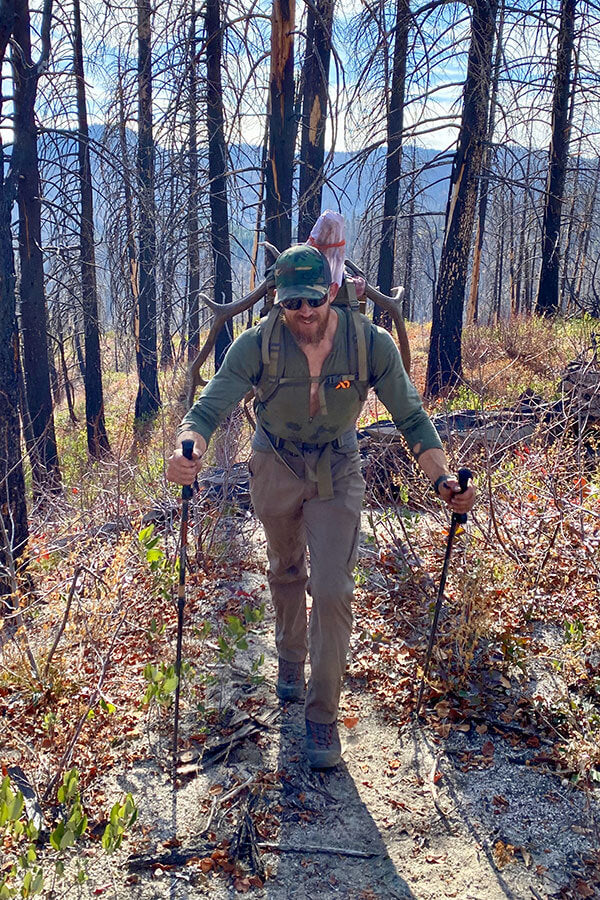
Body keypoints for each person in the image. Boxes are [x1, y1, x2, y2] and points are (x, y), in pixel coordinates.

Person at [166, 243, 475, 768]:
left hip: (338, 465)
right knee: (285, 566)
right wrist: (184, 449)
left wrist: (444, 480)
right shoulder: (255, 346)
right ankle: (290, 656)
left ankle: (322, 714)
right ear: (276, 301)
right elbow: (208, 406)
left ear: (331, 291)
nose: (304, 313)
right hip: (275, 463)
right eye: (292, 303)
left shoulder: (369, 344)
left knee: (332, 589)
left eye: (313, 300)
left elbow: (413, 420)